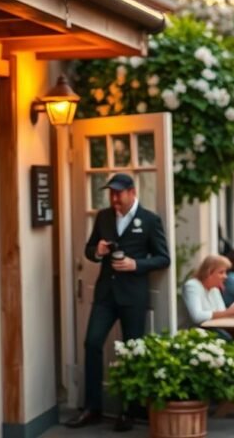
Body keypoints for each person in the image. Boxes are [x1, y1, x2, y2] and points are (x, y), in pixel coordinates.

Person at [65, 173, 170, 431]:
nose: (114, 199)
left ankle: (130, 410)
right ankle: (92, 407)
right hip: (105, 294)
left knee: (133, 351)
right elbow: (89, 250)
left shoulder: (149, 220)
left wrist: (137, 264)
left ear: (132, 192)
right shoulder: (103, 217)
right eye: (111, 194)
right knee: (92, 343)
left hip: (133, 295)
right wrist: (97, 252)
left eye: (118, 194)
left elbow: (163, 258)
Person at [183, 255, 234, 325]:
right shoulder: (192, 286)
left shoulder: (214, 288)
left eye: (225, 272)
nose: (225, 276)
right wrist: (228, 312)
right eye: (221, 272)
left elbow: (222, 312)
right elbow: (197, 317)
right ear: (208, 273)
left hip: (216, 328)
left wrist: (233, 311)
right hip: (199, 332)